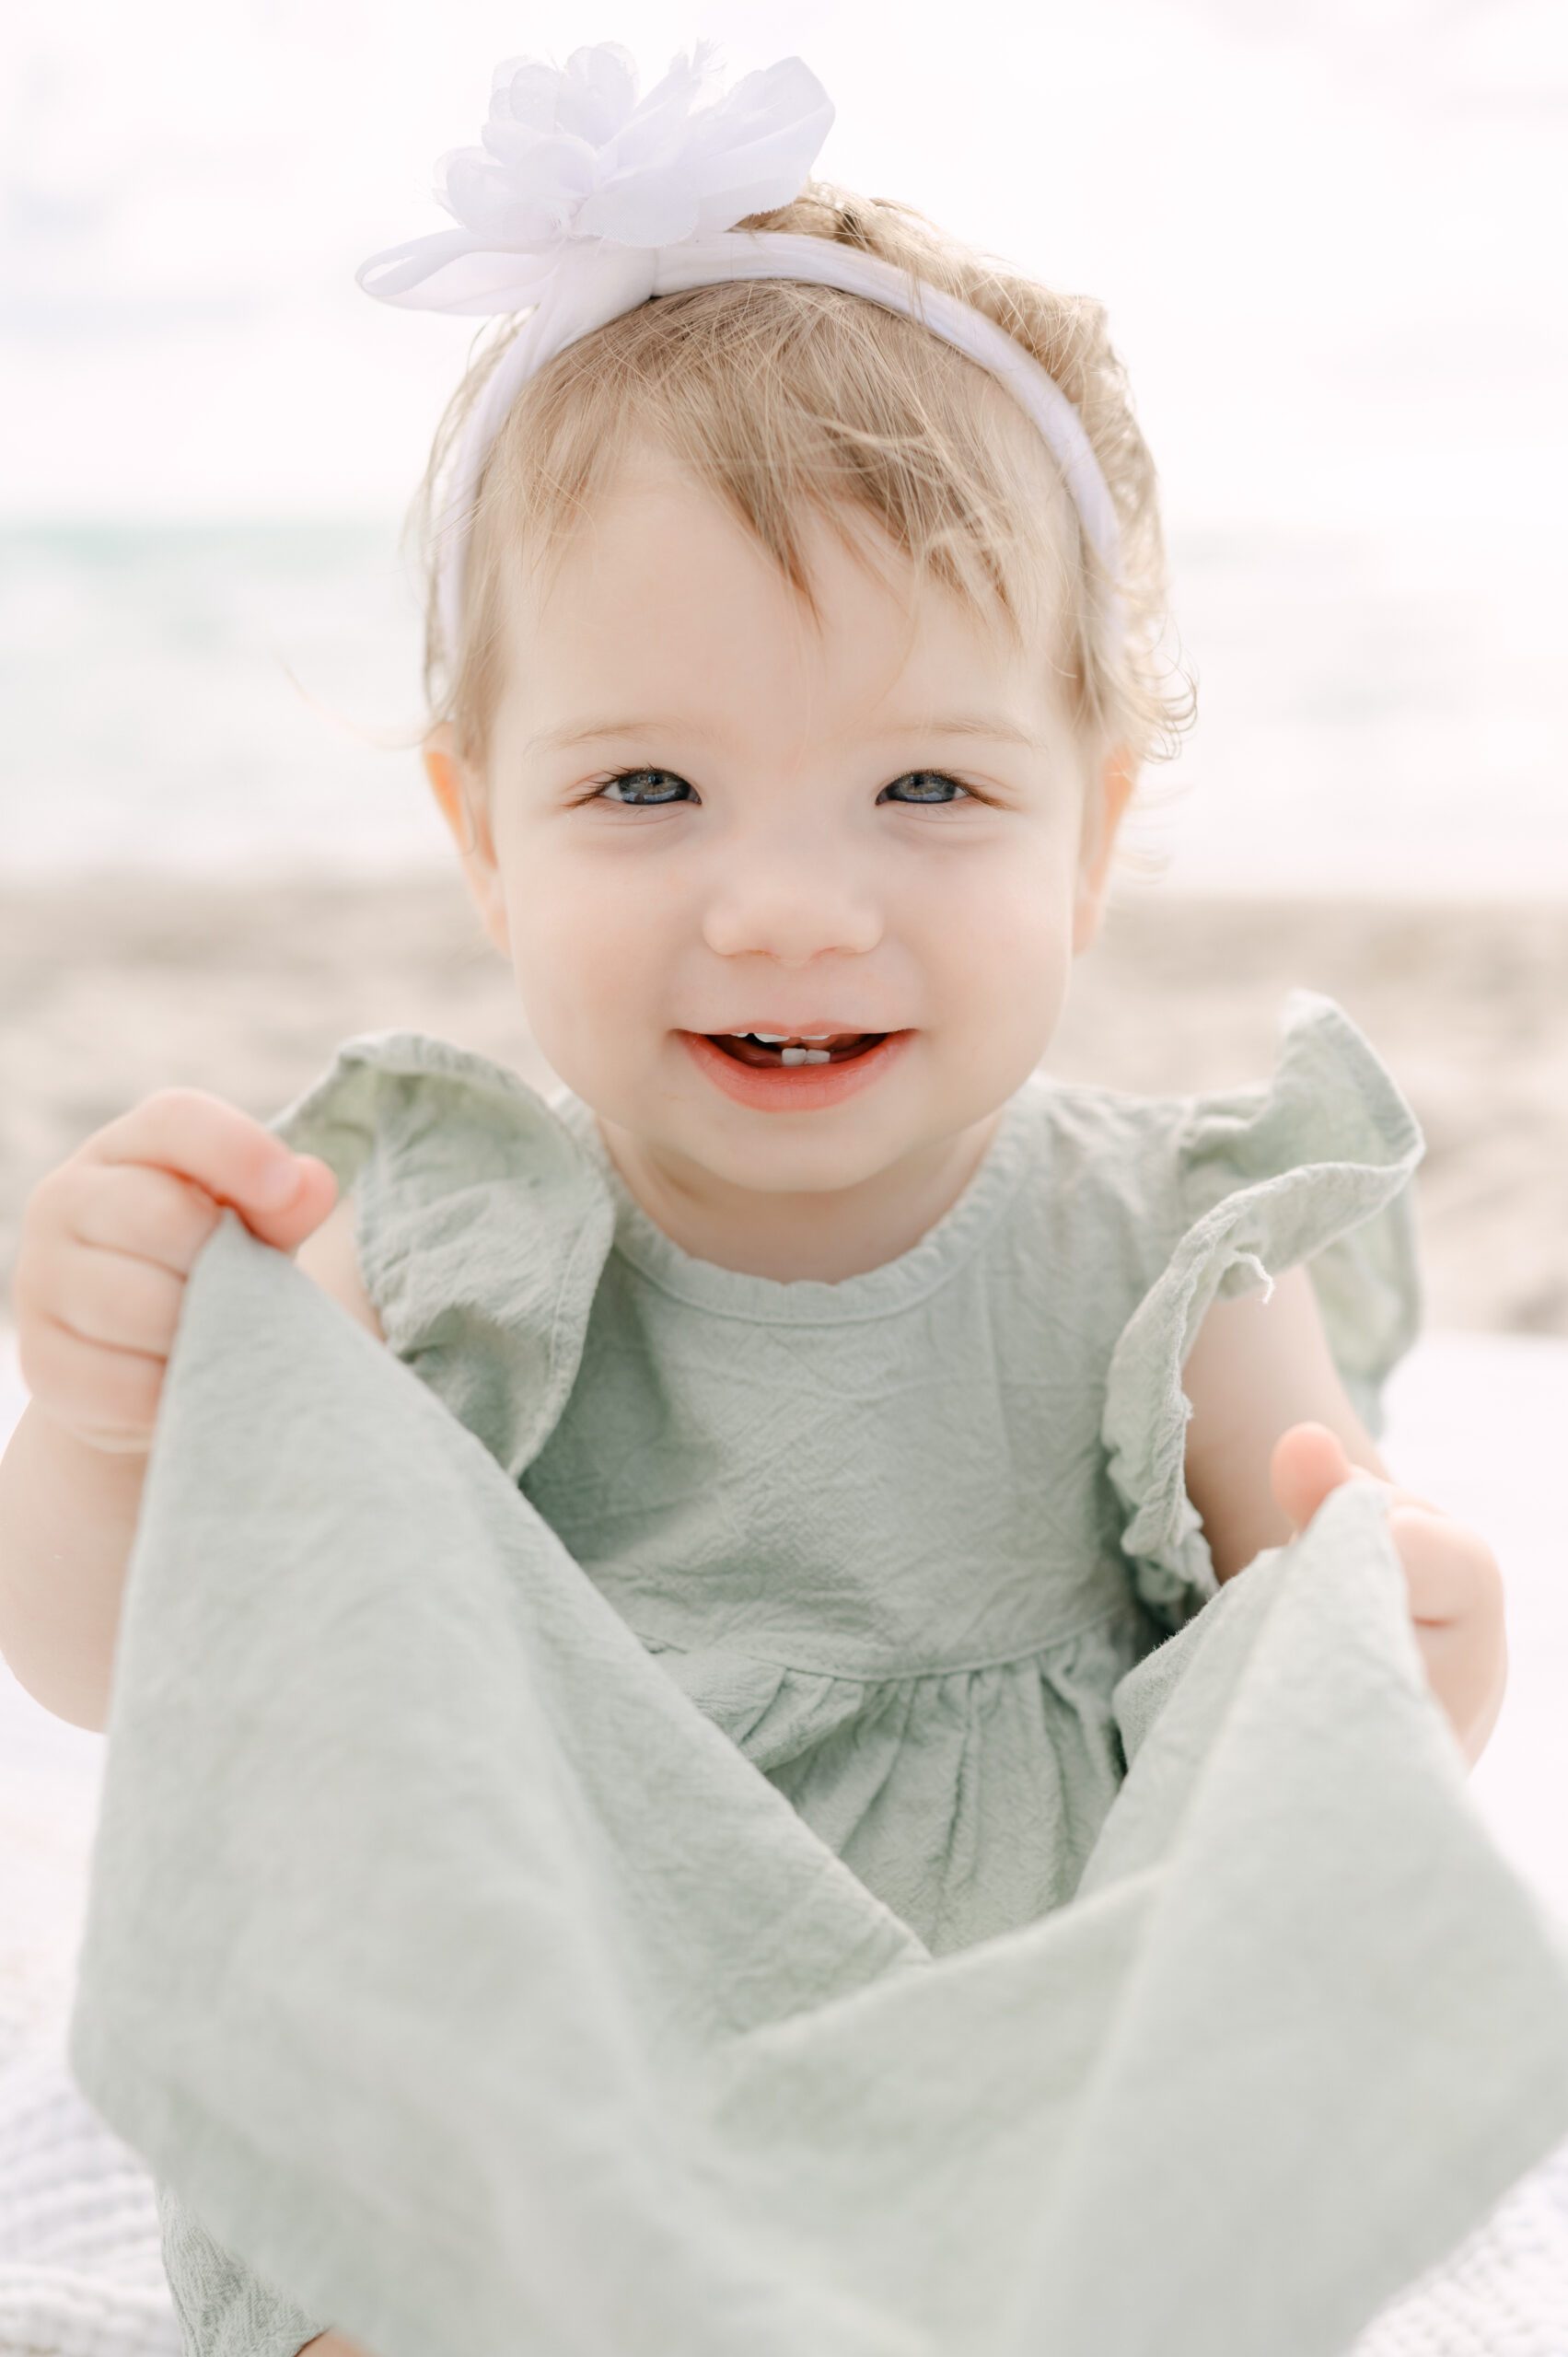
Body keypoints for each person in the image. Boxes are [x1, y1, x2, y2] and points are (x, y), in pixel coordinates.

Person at [0, 43, 1510, 2356]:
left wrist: (1412, 1641)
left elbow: (1332, 1730)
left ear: (1094, 831)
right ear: (483, 830)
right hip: (547, 2114)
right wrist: (114, 1423)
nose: (790, 904)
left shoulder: (1169, 1264)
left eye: (926, 781)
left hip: (993, 2136)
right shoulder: (439, 1236)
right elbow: (146, 1663)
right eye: (648, 786)